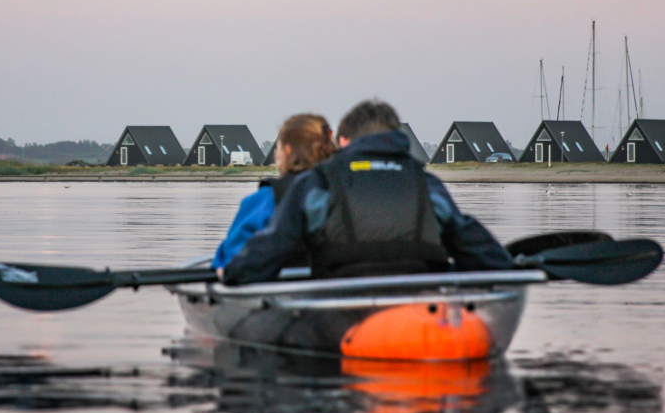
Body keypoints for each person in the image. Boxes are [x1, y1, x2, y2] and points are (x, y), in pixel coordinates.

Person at [221, 100, 513, 285]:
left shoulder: (318, 185)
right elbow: (480, 252)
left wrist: (234, 273)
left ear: (344, 141)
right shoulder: (427, 184)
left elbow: (272, 246)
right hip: (418, 307)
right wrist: (508, 267)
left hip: (339, 313)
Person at [211, 114, 335, 271]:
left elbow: (229, 257)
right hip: (335, 280)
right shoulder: (345, 192)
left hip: (278, 284)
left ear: (288, 151)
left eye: (279, 148)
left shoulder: (266, 198)